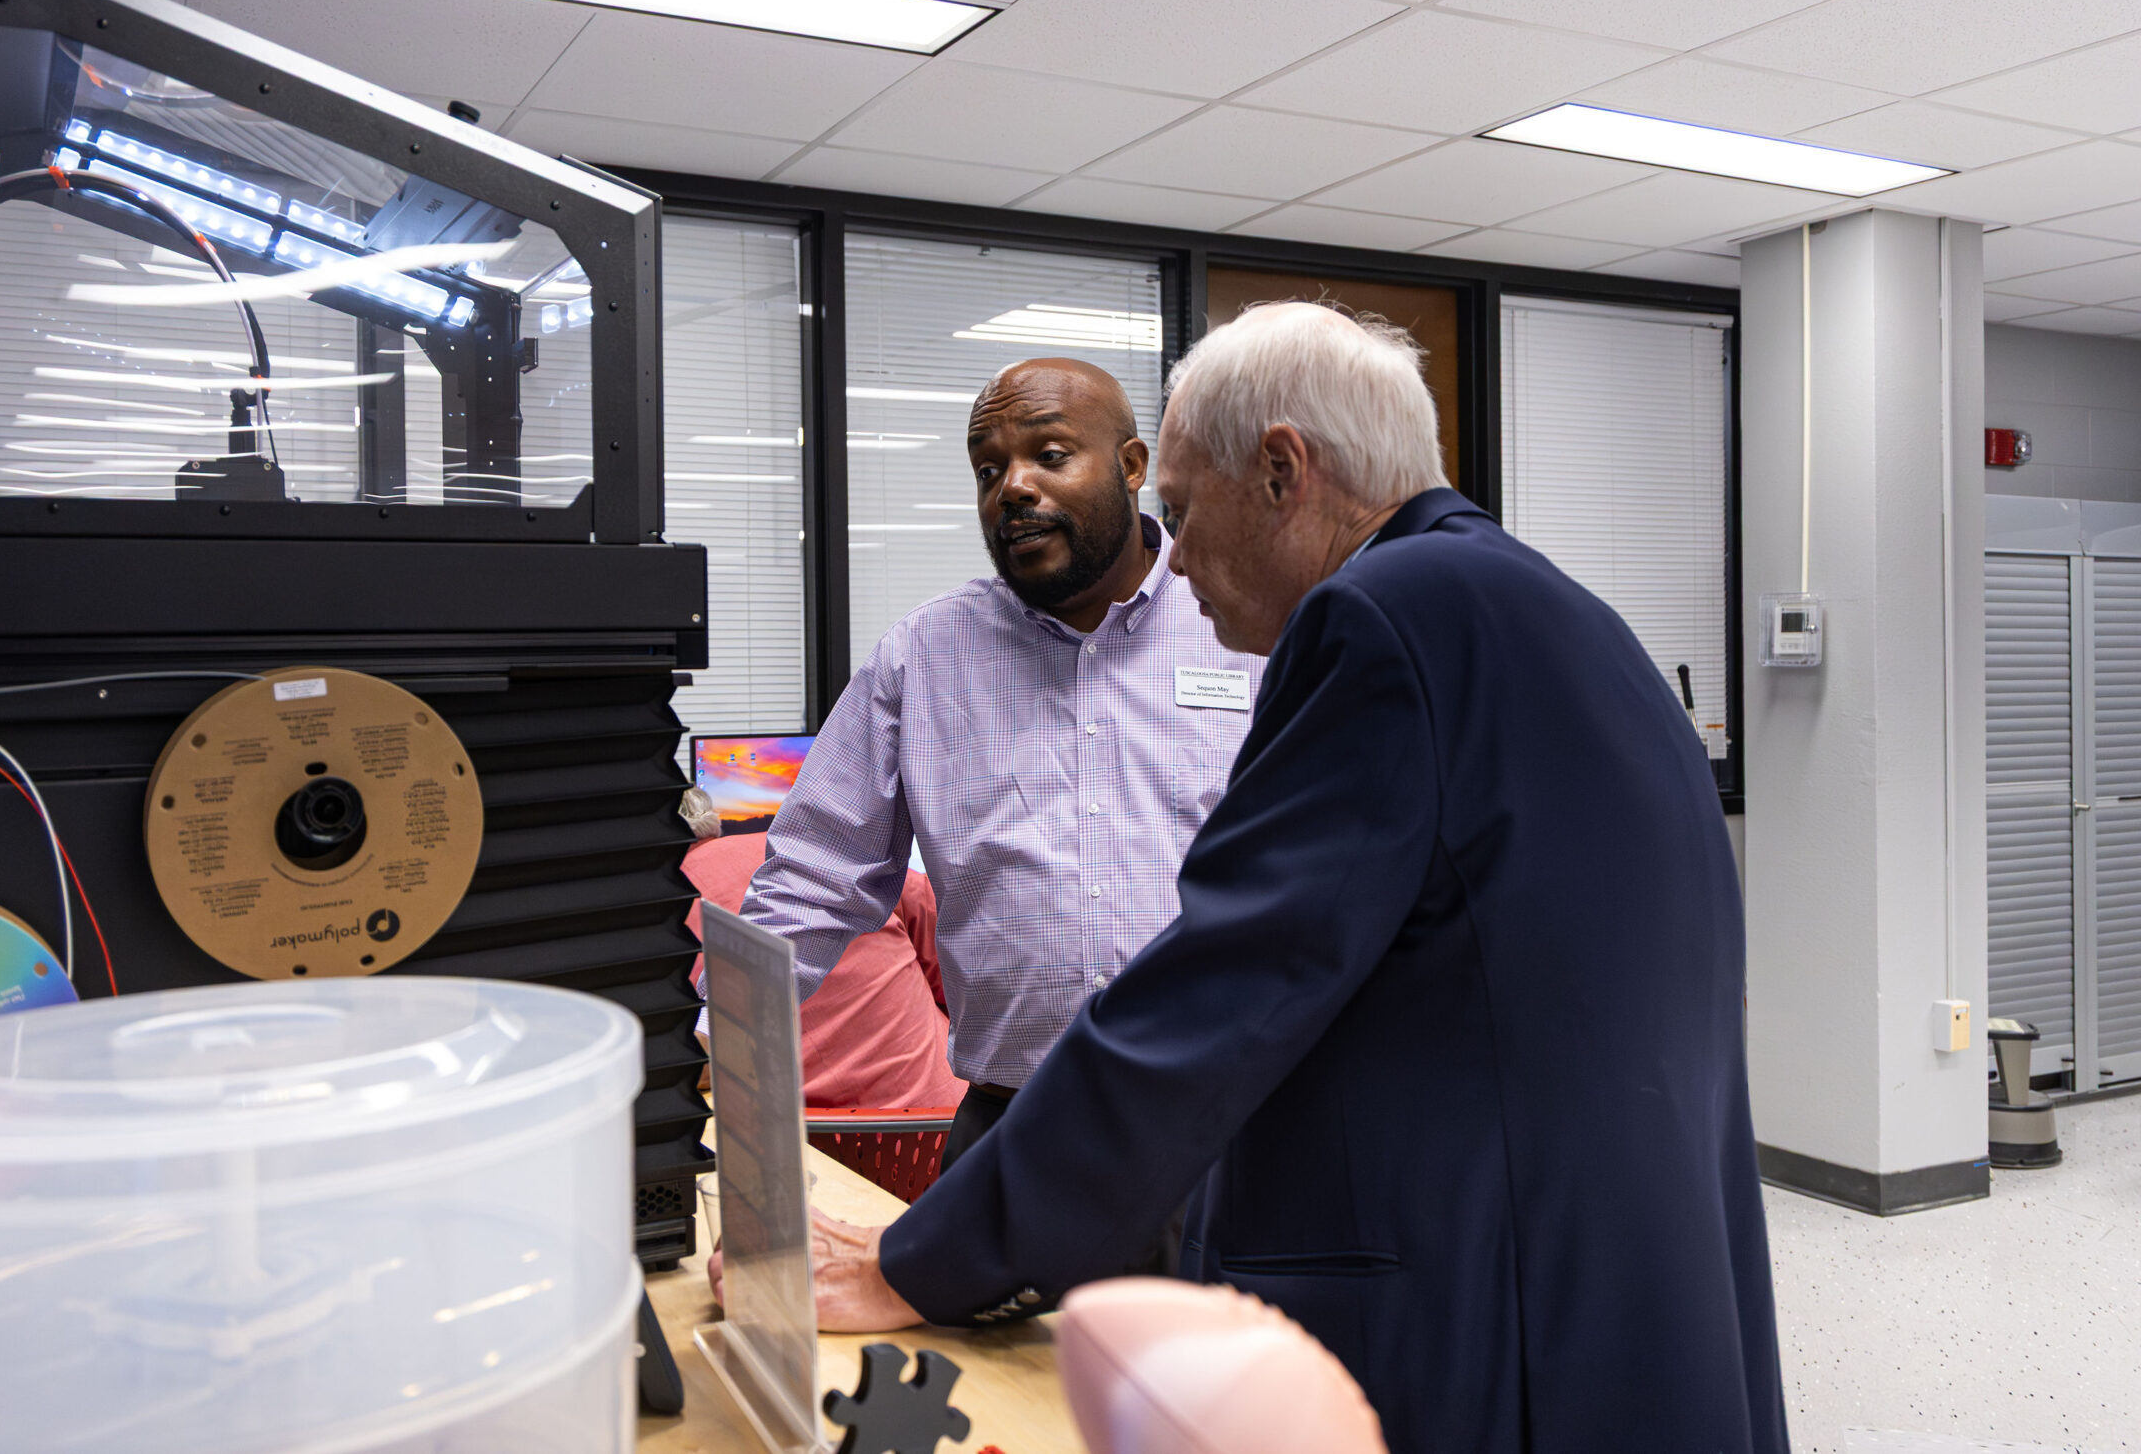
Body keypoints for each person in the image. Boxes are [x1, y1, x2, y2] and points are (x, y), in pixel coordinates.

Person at [735, 304, 1789, 1454]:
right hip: (1626, 1287)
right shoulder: (1549, 605)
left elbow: (1222, 985)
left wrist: (920, 1259)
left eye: (1181, 513)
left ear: (1282, 472)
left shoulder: (1378, 617)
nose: (1174, 556)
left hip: (1486, 1294)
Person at [736, 357, 1263, 1167]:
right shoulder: (924, 656)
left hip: (1230, 1128)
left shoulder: (1242, 628)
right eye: (989, 469)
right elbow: (813, 876)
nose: (1011, 487)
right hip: (1013, 1134)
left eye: (1050, 455)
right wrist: (704, 1041)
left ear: (1131, 467)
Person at [679, 786, 964, 1113]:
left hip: (805, 1147)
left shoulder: (656, 927)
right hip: (938, 1126)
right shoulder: (809, 854)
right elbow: (956, 955)